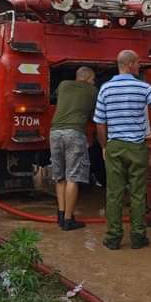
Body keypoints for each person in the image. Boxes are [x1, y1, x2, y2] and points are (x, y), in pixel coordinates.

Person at [94, 50, 151, 250]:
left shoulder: (105, 89)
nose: (139, 66)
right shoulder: (143, 87)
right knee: (137, 193)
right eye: (137, 63)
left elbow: (100, 123)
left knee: (114, 194)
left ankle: (113, 238)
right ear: (130, 64)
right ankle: (138, 236)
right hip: (137, 147)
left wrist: (104, 146)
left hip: (115, 146)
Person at [50, 66, 97, 231]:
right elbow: (95, 115)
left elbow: (54, 98)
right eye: (93, 79)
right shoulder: (92, 91)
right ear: (87, 78)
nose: (93, 82)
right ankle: (69, 220)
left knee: (60, 177)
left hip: (55, 132)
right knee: (72, 177)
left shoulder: (63, 85)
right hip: (74, 133)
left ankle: (61, 215)